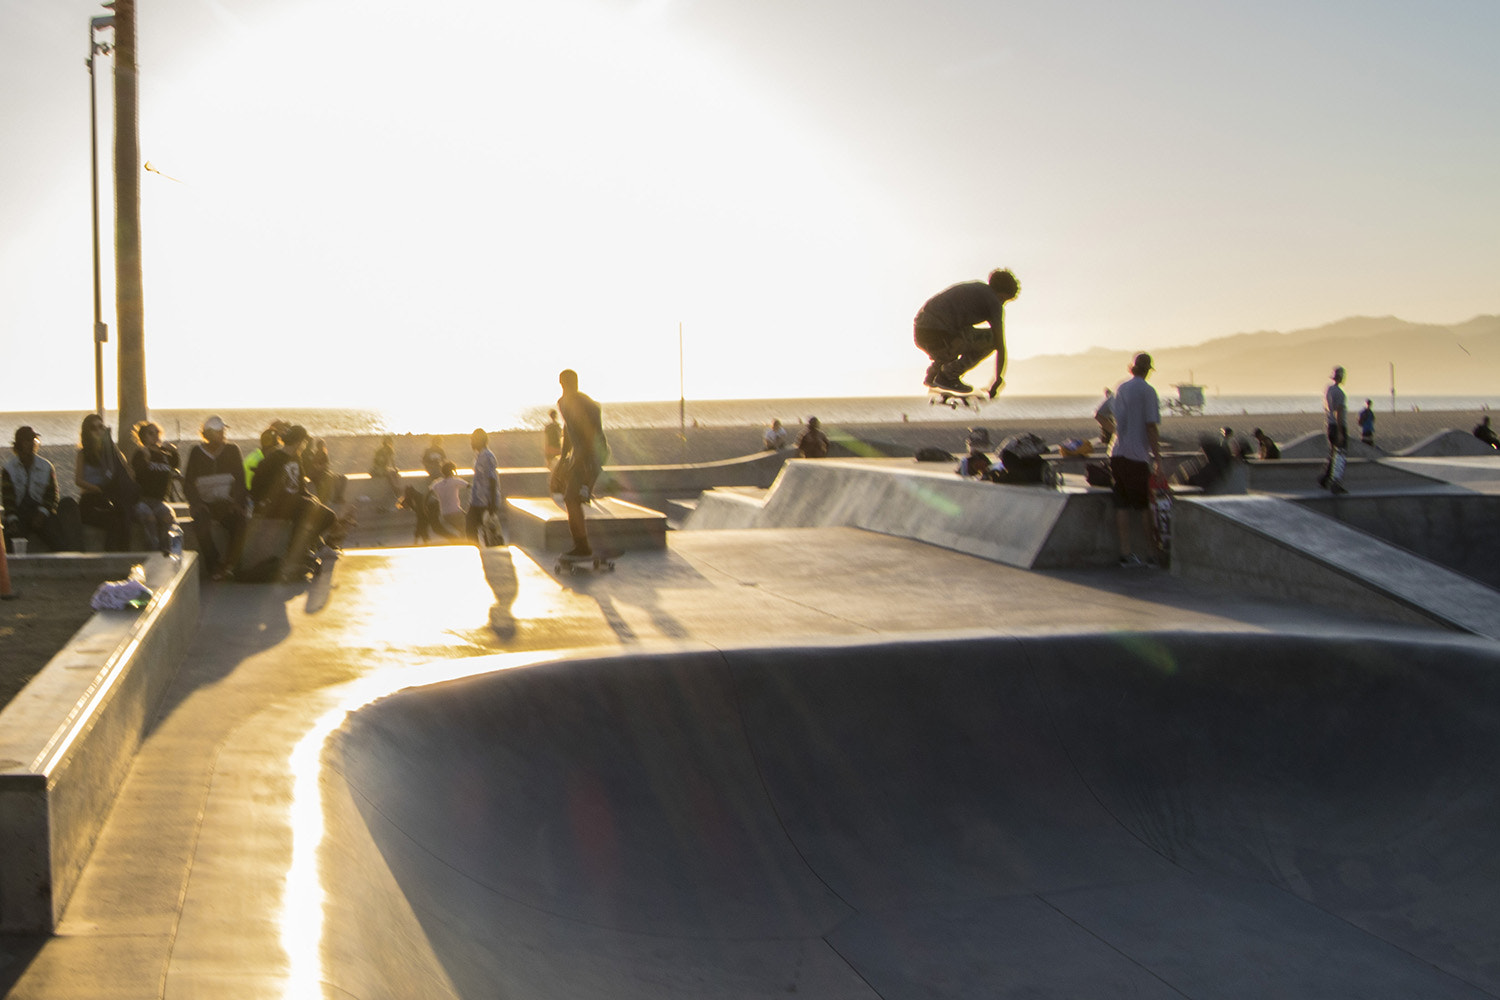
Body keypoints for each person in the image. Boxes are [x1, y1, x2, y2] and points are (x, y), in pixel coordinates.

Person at [250, 424, 346, 580]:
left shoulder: (296, 458)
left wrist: (312, 497)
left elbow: (301, 488)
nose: (305, 445)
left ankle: (305, 547)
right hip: (276, 505)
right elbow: (257, 486)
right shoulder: (274, 459)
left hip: (296, 502)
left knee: (328, 516)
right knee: (306, 506)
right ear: (298, 441)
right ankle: (295, 552)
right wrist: (263, 503)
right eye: (304, 442)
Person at [913, 268, 1019, 396]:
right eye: (1003, 299)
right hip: (938, 335)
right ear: (1000, 293)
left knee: (965, 333)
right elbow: (1000, 346)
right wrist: (998, 378)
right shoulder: (993, 301)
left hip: (921, 333)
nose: (1002, 304)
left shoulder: (975, 289)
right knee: (991, 340)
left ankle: (933, 375)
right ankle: (949, 376)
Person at [1107, 352, 1161, 568]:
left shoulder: (1121, 388)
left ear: (1132, 368)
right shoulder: (1148, 391)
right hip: (1137, 456)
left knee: (1121, 504)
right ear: (1148, 370)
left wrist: (1115, 433)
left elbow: (1099, 413)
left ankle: (1125, 553)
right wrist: (1158, 458)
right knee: (1143, 506)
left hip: (1117, 454)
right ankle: (1151, 553)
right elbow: (1151, 426)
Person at [183, 415, 249, 581]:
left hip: (226, 503)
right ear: (208, 434)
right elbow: (189, 482)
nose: (222, 435)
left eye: (222, 431)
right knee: (200, 525)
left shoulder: (232, 450)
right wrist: (196, 503)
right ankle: (214, 565)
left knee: (240, 523)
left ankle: (231, 565)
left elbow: (240, 479)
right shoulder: (196, 452)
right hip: (205, 504)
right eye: (218, 432)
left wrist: (237, 502)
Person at [555, 369, 608, 558]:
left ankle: (582, 547)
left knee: (571, 498)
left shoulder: (572, 402)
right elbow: (569, 429)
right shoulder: (575, 402)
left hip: (592, 455)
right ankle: (582, 544)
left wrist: (575, 463)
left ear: (563, 384)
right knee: (572, 498)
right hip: (592, 454)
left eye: (563, 385)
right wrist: (563, 459)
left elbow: (588, 436)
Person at [2, 426, 75, 553]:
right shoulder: (9, 469)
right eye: (27, 441)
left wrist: (42, 514)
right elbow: (8, 499)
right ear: (19, 444)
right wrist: (13, 520)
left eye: (33, 440)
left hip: (42, 513)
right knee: (9, 544)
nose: (31, 444)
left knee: (60, 544)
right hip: (19, 514)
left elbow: (52, 495)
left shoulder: (46, 466)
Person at [75, 413, 138, 551]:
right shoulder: (83, 453)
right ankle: (110, 556)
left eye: (101, 427)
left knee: (124, 517)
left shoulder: (109, 451)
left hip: (106, 496)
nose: (98, 430)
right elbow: (78, 480)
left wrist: (111, 446)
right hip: (90, 498)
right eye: (93, 428)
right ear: (87, 431)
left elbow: (124, 466)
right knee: (113, 522)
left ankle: (123, 554)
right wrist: (97, 488)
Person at [129, 420, 181, 555]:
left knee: (168, 516)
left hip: (159, 500)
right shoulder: (141, 453)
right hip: (141, 500)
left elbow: (175, 464)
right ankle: (154, 552)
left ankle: (166, 549)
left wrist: (174, 452)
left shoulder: (165, 454)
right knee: (148, 516)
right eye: (150, 433)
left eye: (156, 432)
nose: (155, 436)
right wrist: (145, 459)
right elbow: (136, 474)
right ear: (143, 437)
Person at [467, 427, 503, 544]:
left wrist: (492, 505)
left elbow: (492, 480)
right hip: (476, 501)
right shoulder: (478, 456)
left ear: (479, 440)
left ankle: (487, 554)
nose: (471, 442)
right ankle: (477, 552)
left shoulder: (487, 456)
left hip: (486, 502)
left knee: (488, 534)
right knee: (471, 529)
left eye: (473, 439)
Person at [1317, 366, 1350, 494]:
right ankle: (1335, 482)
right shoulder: (1340, 393)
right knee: (1340, 454)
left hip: (1329, 425)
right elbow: (1339, 412)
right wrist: (1341, 432)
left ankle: (1325, 479)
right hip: (1337, 426)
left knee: (1333, 454)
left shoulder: (1328, 390)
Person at [430, 461, 467, 539]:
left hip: (445, 514)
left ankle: (461, 541)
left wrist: (425, 508)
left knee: (461, 529)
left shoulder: (437, 483)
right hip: (455, 511)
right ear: (452, 471)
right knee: (466, 528)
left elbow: (429, 493)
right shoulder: (455, 481)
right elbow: (469, 486)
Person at [369, 434, 402, 509]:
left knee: (393, 472)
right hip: (377, 469)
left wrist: (395, 468)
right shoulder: (379, 451)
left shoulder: (390, 450)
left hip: (383, 468)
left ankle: (397, 487)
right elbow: (377, 463)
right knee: (389, 473)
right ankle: (395, 488)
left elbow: (392, 461)